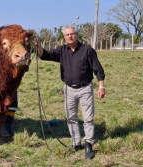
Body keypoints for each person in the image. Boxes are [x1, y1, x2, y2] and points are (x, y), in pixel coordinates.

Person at [34, 24, 105, 159]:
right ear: (64, 37)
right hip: (69, 89)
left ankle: (88, 144)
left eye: (72, 34)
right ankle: (76, 143)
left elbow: (98, 69)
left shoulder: (87, 50)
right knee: (71, 117)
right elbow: (46, 55)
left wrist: (101, 86)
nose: (70, 36)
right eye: (67, 34)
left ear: (77, 35)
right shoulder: (62, 51)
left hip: (85, 88)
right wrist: (38, 46)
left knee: (88, 118)